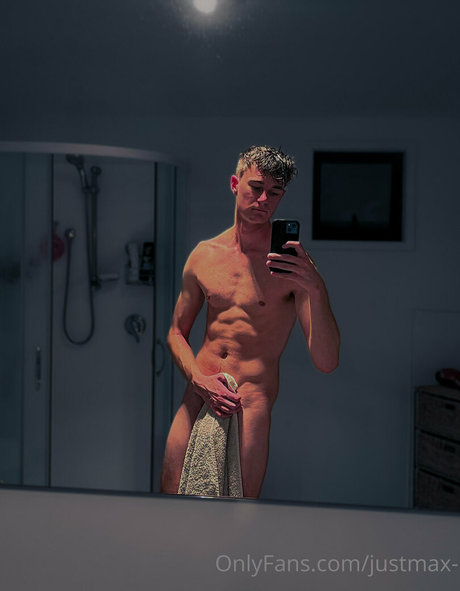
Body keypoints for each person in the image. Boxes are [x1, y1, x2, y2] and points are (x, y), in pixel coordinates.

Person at [160, 145, 340, 498]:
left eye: (275, 192)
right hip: (199, 391)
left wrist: (316, 287)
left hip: (250, 402)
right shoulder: (204, 255)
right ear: (235, 184)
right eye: (256, 187)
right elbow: (176, 332)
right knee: (170, 499)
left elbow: (327, 362)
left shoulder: (294, 267)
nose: (264, 200)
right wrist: (198, 379)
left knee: (237, 512)